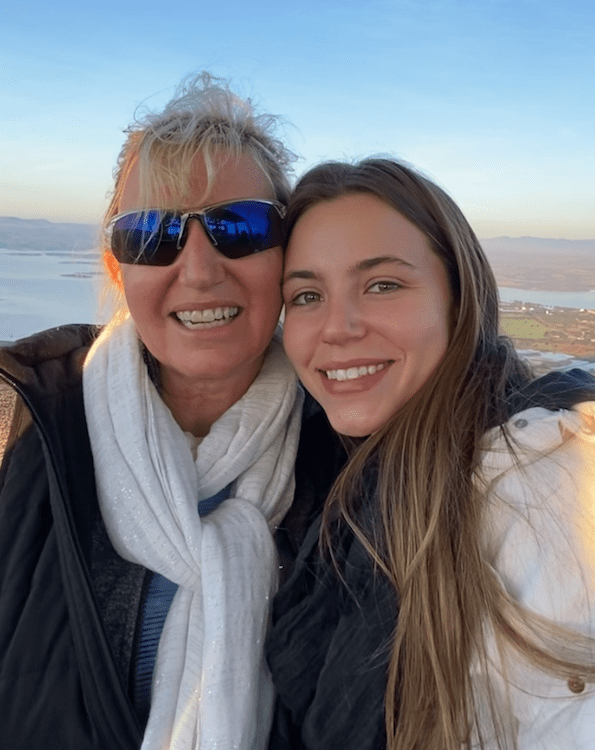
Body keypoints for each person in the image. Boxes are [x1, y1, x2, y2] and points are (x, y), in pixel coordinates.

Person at [267, 157, 595, 749]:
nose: (337, 327)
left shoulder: (555, 484)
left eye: (383, 284)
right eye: (308, 295)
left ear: (458, 297)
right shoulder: (335, 482)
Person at [0, 73, 341, 750]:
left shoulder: (354, 450)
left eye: (240, 227)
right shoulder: (27, 418)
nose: (200, 268)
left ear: (287, 252)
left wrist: (582, 420)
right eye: (152, 235)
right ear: (118, 267)